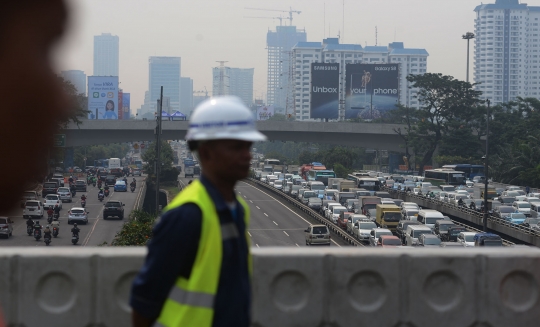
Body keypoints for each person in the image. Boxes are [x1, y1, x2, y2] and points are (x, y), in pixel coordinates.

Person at [130, 96, 266, 327]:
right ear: (205, 153)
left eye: (248, 146)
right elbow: (145, 301)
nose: (247, 155)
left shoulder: (237, 209)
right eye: (236, 147)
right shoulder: (188, 215)